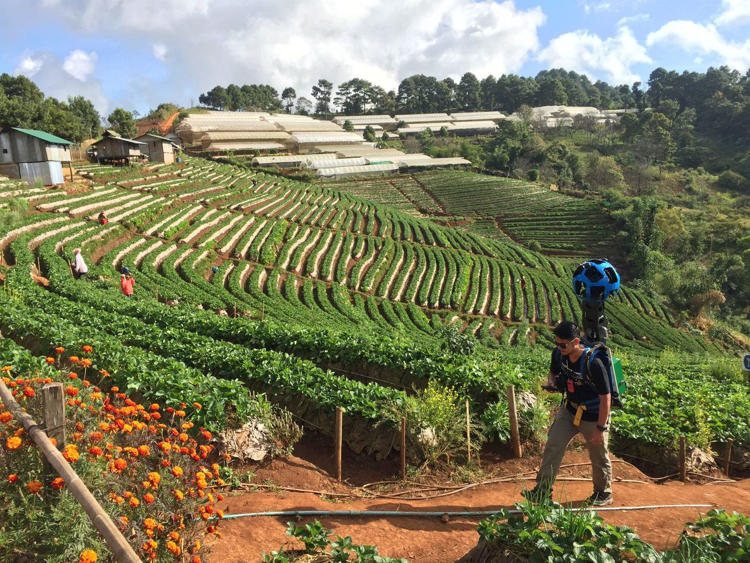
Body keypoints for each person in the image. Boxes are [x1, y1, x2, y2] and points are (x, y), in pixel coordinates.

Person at [523, 320, 613, 506]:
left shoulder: (593, 363)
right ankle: (542, 491)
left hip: (593, 414)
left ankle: (603, 492)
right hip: (569, 409)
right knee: (553, 445)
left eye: (563, 344)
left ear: (576, 342)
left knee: (598, 454)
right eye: (556, 343)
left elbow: (606, 398)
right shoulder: (558, 354)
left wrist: (600, 428)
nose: (559, 347)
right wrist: (553, 383)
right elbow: (553, 372)